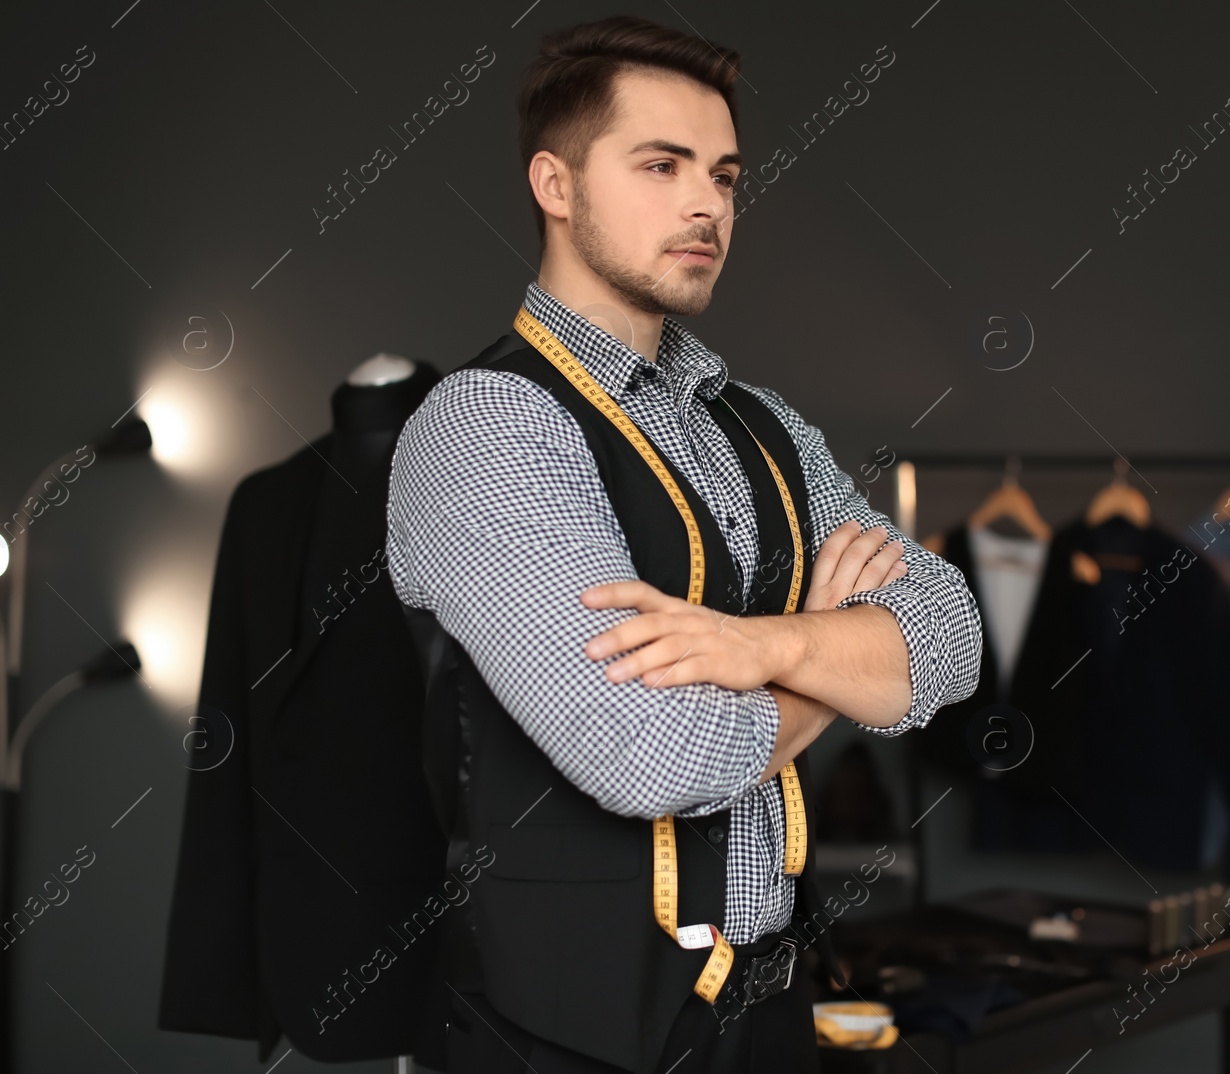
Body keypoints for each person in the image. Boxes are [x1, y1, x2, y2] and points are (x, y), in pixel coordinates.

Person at [384, 14, 983, 1073]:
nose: (707, 202)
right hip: (557, 1031)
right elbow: (651, 754)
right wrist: (842, 656)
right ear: (555, 185)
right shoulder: (485, 424)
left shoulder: (760, 422)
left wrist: (763, 648)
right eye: (659, 165)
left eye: (724, 174)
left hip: (768, 1008)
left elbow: (949, 637)